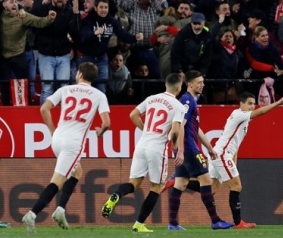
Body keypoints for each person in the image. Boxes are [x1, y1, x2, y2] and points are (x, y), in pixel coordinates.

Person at [22, 62, 110, 233]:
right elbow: (107, 122)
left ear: (80, 75)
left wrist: (52, 130)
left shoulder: (66, 90)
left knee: (77, 172)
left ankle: (60, 210)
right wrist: (101, 130)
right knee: (57, 182)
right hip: (73, 144)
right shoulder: (99, 95)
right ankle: (32, 214)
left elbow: (44, 109)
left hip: (57, 138)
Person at [101, 73, 186, 233]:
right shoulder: (178, 106)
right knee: (156, 187)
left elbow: (132, 114)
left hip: (141, 145)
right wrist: (175, 147)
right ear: (178, 87)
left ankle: (117, 195)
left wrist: (145, 129)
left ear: (166, 85)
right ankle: (139, 224)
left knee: (133, 183)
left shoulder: (152, 98)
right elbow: (175, 131)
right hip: (157, 148)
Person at [208, 91, 283, 228]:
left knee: (212, 188)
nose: (253, 107)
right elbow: (260, 113)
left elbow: (236, 143)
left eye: (254, 104)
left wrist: (234, 161)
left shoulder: (244, 119)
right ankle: (238, 222)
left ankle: (180, 182)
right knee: (236, 186)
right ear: (241, 104)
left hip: (222, 153)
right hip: (223, 153)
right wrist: (277, 102)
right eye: (250, 104)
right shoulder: (240, 114)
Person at [167, 70, 234, 230]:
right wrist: (182, 151)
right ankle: (216, 220)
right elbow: (180, 125)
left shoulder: (190, 100)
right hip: (189, 149)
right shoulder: (187, 100)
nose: (202, 85)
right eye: (199, 82)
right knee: (206, 181)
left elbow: (195, 129)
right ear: (189, 84)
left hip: (187, 148)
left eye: (203, 82)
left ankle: (173, 223)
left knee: (181, 183)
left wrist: (209, 147)